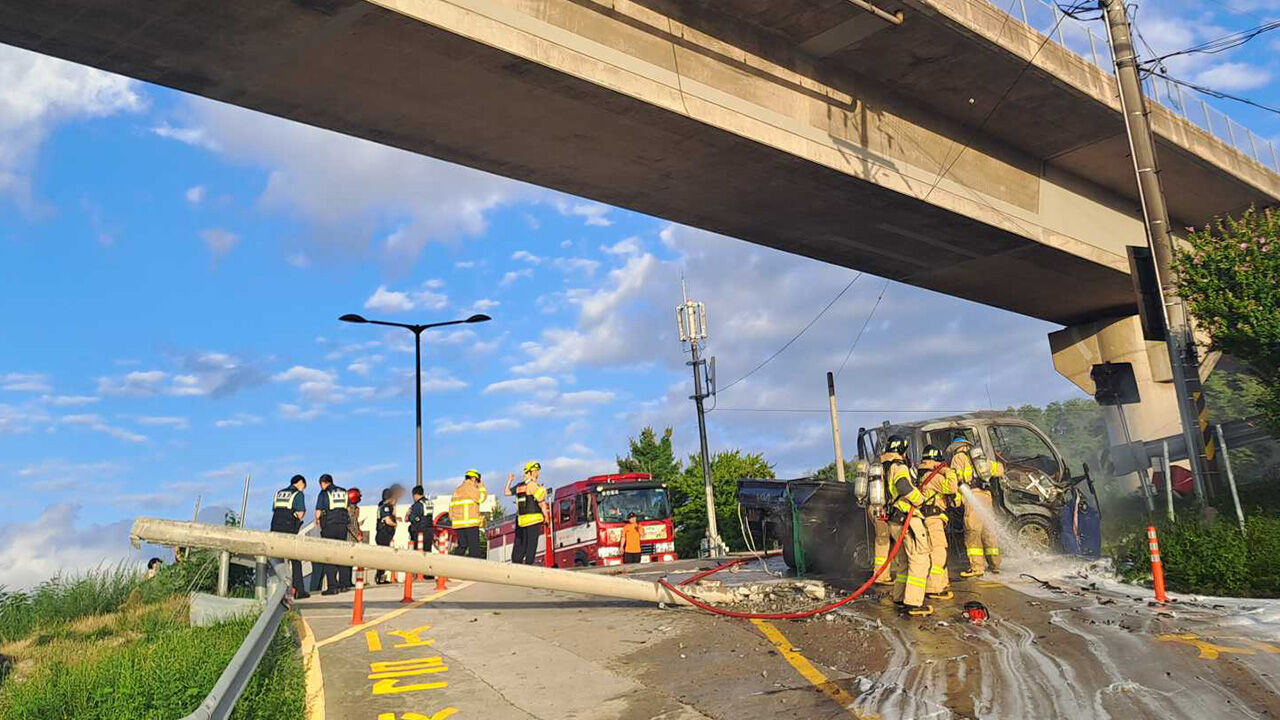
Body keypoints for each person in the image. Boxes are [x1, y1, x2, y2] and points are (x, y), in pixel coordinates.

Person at [884, 435, 933, 617]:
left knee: (905, 560)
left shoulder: (886, 466)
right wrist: (919, 499)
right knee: (920, 559)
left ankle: (900, 596)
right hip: (907, 519)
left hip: (895, 520)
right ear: (903, 450)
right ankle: (913, 603)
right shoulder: (900, 466)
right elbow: (903, 486)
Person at [952, 438, 1002, 577]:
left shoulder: (958, 458)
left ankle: (977, 568)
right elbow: (999, 469)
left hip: (972, 496)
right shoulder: (980, 457)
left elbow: (955, 479)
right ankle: (995, 565)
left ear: (956, 447)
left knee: (973, 532)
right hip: (986, 495)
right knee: (989, 531)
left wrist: (956, 500)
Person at [917, 445, 957, 601]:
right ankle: (934, 588)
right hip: (933, 519)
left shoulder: (924, 474)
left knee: (940, 552)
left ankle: (942, 583)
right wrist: (948, 471)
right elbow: (951, 487)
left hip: (931, 518)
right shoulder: (934, 476)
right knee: (938, 552)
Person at [270, 474, 310, 599]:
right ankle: (299, 590)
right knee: (295, 558)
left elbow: (274, 509)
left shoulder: (279, 493)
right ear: (300, 483)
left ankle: (277, 591)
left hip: (275, 527)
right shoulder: (298, 494)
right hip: (289, 528)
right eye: (304, 486)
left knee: (277, 559)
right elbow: (300, 513)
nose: (303, 489)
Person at [316, 473, 351, 596]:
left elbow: (318, 512)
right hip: (342, 526)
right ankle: (344, 584)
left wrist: (318, 520)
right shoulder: (343, 492)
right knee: (342, 553)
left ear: (323, 483)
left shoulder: (324, 493)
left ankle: (332, 586)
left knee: (329, 555)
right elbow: (348, 509)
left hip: (329, 525)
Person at [509, 461, 549, 565]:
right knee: (532, 544)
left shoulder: (519, 486)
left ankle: (517, 561)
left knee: (522, 542)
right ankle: (528, 564)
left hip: (522, 520)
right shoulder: (532, 485)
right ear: (530, 472)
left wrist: (509, 481)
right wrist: (546, 516)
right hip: (534, 519)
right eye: (535, 471)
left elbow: (507, 492)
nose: (537, 473)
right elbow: (541, 501)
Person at [450, 469, 488, 559]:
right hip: (470, 523)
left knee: (462, 546)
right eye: (477, 481)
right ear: (474, 478)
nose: (477, 484)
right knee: (474, 549)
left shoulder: (457, 490)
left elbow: (451, 508)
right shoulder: (470, 488)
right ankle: (474, 570)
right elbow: (482, 498)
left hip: (458, 524)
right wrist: (482, 486)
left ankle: (454, 565)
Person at [374, 487, 400, 584]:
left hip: (384, 534)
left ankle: (381, 577)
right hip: (383, 534)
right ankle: (379, 577)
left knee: (384, 557)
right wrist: (395, 524)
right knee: (382, 557)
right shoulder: (385, 507)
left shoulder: (385, 506)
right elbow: (387, 520)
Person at [345, 487, 364, 587]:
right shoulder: (351, 509)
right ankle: (346, 581)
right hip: (350, 538)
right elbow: (350, 524)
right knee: (348, 561)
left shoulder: (352, 508)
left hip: (351, 537)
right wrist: (357, 535)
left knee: (350, 561)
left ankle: (347, 581)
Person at [406, 485, 432, 553]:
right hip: (429, 531)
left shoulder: (417, 505)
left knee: (418, 553)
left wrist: (408, 515)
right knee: (427, 552)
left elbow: (412, 518)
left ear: (415, 495)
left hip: (419, 531)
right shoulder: (429, 503)